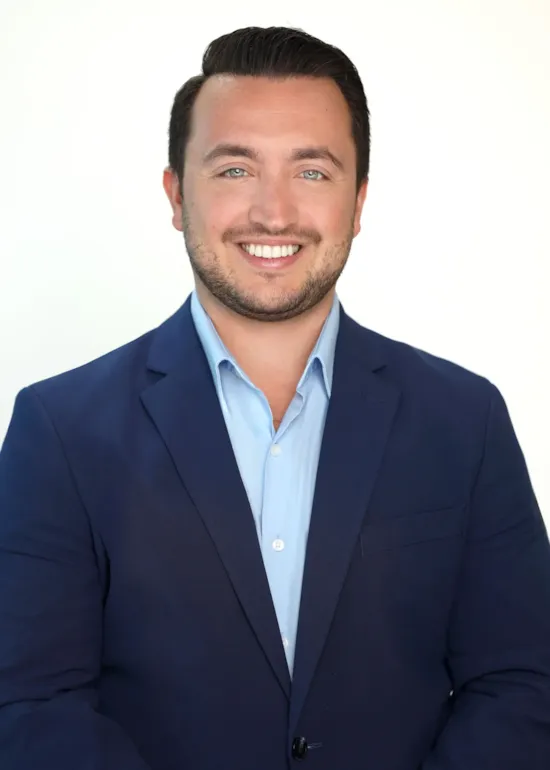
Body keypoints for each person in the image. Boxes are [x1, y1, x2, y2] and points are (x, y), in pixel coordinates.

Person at [0, 24, 549, 770]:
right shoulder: (58, 430)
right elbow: (33, 704)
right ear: (175, 193)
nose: (274, 214)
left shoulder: (465, 420)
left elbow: (522, 685)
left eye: (313, 173)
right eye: (234, 170)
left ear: (357, 201)